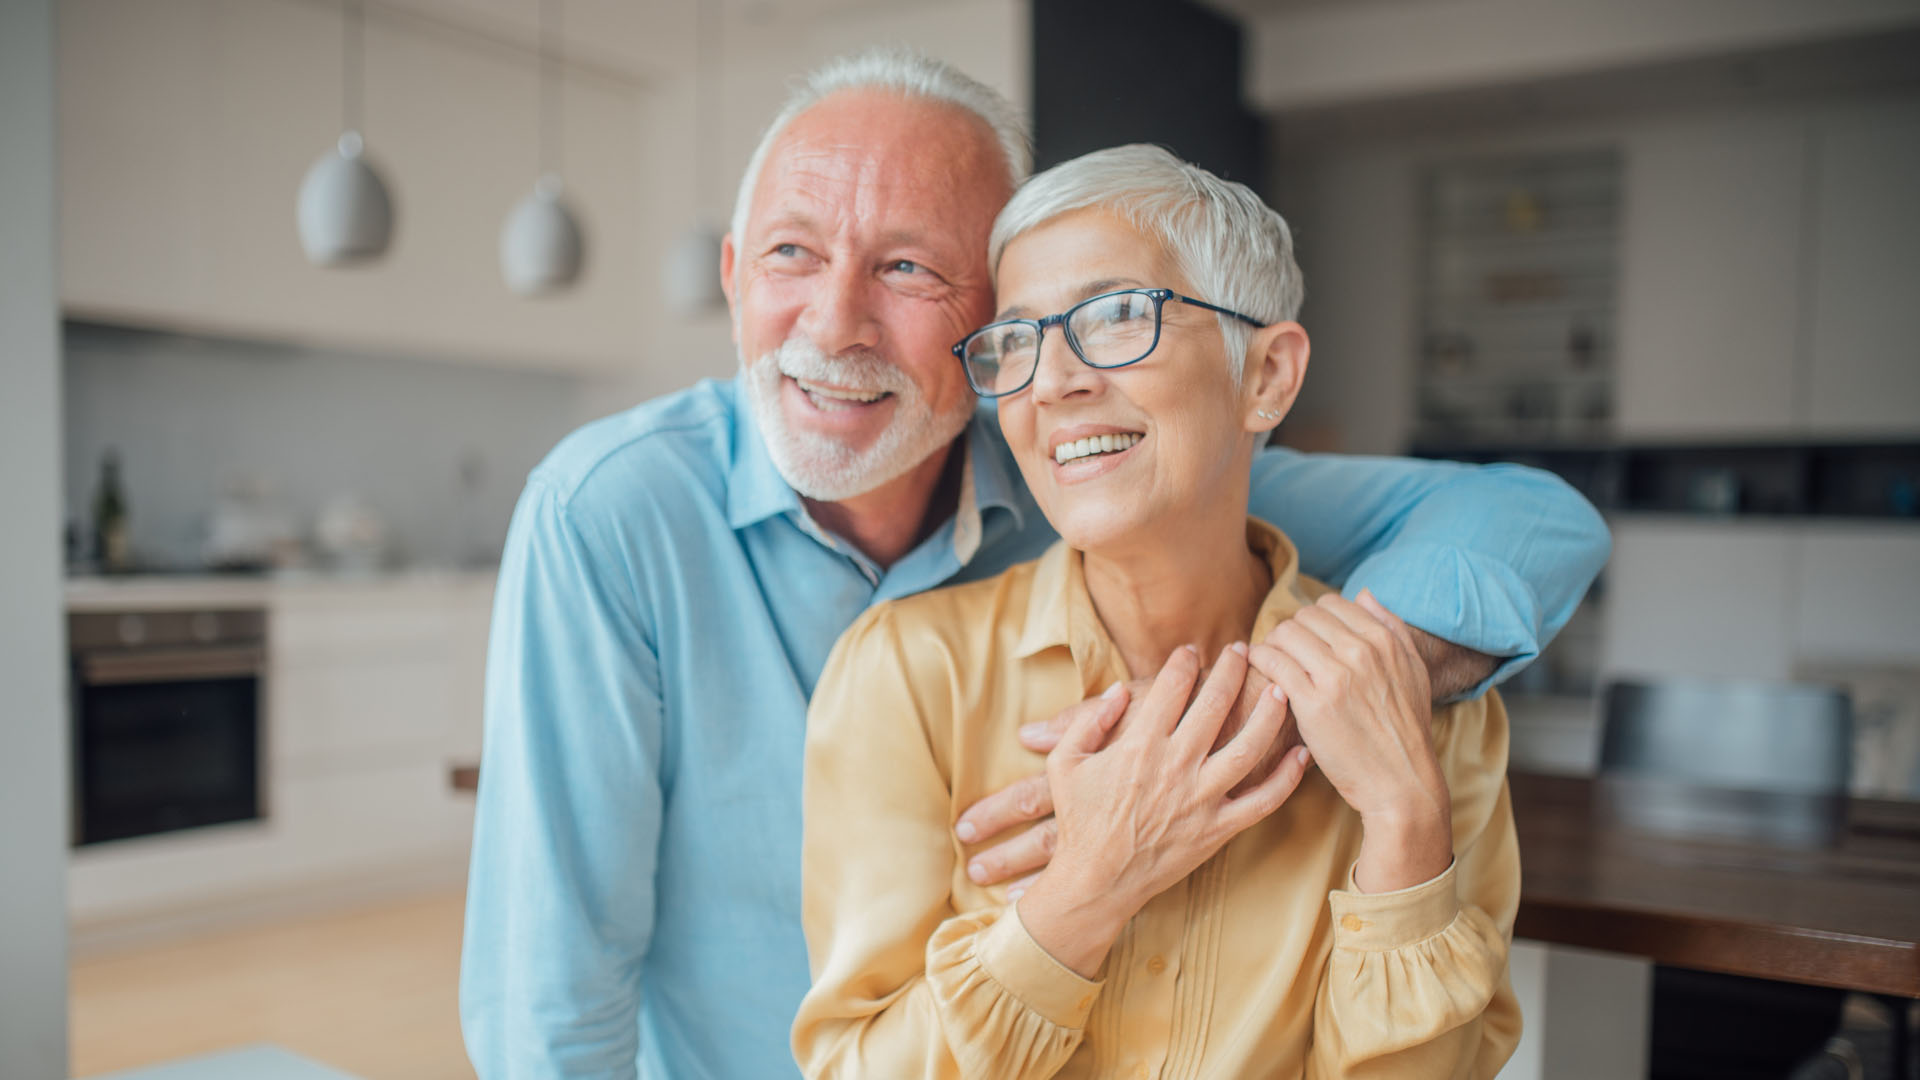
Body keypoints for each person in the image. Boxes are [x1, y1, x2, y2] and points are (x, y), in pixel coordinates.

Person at [460, 48, 1602, 1080]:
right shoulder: (614, 511)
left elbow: (1529, 519)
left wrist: (1293, 710)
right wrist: (1096, 873)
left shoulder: (1108, 470)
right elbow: (550, 983)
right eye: (790, 254)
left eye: (907, 268)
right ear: (731, 274)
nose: (835, 321)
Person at [792, 143, 1519, 1079]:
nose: (1053, 383)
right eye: (1017, 341)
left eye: (1118, 315)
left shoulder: (1428, 711)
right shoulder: (905, 672)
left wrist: (1407, 829)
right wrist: (1087, 889)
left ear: (1267, 377)